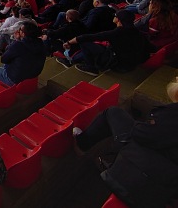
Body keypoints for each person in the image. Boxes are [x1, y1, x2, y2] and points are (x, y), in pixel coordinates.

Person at [73, 78, 178, 208]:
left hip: (146, 174)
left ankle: (82, 144)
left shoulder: (172, 115)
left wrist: (148, 123)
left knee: (112, 112)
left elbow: (141, 134)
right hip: (169, 183)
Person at [64, 9, 155, 76]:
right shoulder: (136, 31)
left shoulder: (117, 33)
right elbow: (150, 47)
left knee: (84, 43)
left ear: (119, 19)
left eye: (115, 16)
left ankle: (91, 68)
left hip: (119, 65)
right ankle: (74, 59)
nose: (114, 17)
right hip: (132, 63)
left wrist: (69, 42)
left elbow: (88, 37)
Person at [0, 21, 46, 86]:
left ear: (23, 34)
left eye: (20, 30)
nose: (18, 31)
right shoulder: (41, 43)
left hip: (14, 79)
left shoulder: (18, 45)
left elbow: (3, 59)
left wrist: (16, 41)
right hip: (33, 75)